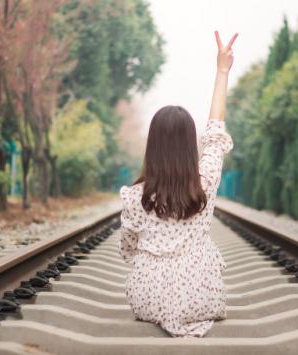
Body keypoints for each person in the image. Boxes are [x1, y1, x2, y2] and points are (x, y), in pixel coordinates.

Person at [118, 30, 238, 337]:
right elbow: (215, 131)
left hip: (148, 299)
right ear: (189, 146)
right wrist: (222, 71)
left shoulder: (135, 197)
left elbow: (128, 249)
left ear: (152, 146)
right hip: (200, 297)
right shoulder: (205, 183)